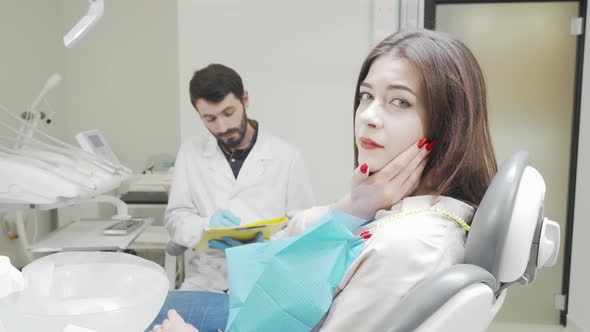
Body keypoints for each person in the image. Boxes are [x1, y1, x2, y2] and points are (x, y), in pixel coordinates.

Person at [151, 29, 497, 332]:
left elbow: (295, 239)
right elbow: (301, 239)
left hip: (260, 295)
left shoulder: (411, 245)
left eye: (399, 101)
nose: (368, 116)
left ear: (447, 123)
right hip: (238, 286)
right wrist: (354, 207)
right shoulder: (396, 209)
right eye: (366, 96)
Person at [165, 64, 315, 291]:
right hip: (208, 278)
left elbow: (303, 225)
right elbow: (177, 218)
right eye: (210, 119)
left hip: (266, 274)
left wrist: (266, 244)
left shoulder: (287, 156)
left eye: (228, 113)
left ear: (245, 99)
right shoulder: (190, 152)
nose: (222, 127)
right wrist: (206, 227)